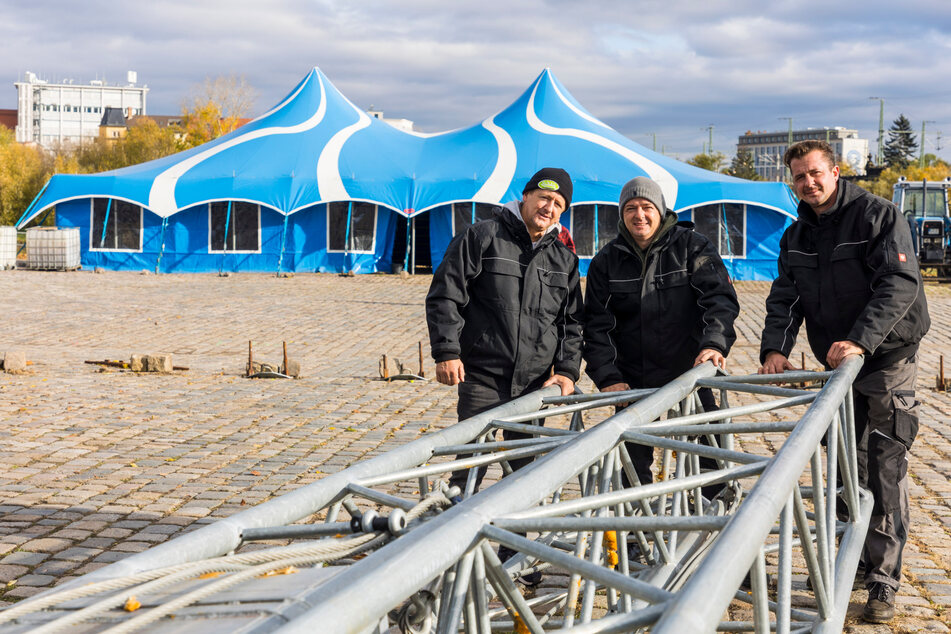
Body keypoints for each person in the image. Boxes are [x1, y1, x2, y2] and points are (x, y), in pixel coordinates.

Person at [758, 140, 930, 624]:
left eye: (815, 173)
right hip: (839, 364)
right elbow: (785, 294)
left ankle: (883, 579)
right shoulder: (797, 235)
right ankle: (851, 557)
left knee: (884, 461)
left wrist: (859, 340)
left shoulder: (877, 216)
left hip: (886, 356)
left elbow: (898, 284)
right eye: (799, 176)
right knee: (843, 467)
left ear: (835, 171)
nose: (808, 183)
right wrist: (775, 347)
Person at [426, 167, 584, 497]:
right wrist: (447, 352)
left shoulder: (564, 259)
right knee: (471, 461)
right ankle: (454, 536)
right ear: (525, 196)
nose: (548, 207)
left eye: (557, 203)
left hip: (534, 383)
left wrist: (568, 371)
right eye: (543, 197)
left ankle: (512, 545)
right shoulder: (482, 236)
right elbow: (446, 294)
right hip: (483, 375)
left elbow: (572, 322)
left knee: (523, 469)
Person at [583, 176, 740, 487]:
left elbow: (719, 299)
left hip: (689, 375)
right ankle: (634, 529)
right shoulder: (606, 261)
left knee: (711, 456)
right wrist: (609, 377)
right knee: (630, 466)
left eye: (646, 206)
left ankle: (714, 520)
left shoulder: (693, 247)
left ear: (661, 209)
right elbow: (596, 325)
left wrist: (714, 345)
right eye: (630, 208)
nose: (639, 215)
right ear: (621, 214)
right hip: (633, 380)